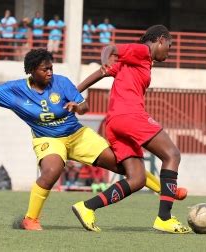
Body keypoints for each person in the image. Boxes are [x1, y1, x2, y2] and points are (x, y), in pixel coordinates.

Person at [0, 48, 165, 231]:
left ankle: (166, 190)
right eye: (45, 69)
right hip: (47, 139)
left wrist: (78, 106)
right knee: (52, 170)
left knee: (125, 164)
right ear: (31, 71)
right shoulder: (14, 91)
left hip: (77, 134)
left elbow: (83, 105)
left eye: (51, 68)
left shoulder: (61, 82)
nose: (50, 72)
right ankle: (30, 220)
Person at [73, 24, 191, 234]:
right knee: (172, 155)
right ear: (161, 40)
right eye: (169, 47)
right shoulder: (142, 51)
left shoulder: (131, 64)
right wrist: (106, 57)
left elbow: (101, 73)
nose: (168, 53)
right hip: (130, 116)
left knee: (137, 179)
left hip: (114, 123)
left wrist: (74, 94)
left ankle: (87, 207)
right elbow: (110, 49)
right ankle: (164, 218)